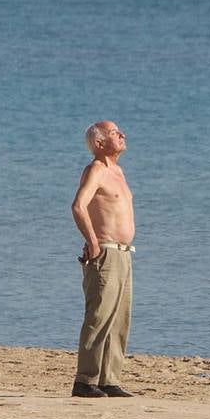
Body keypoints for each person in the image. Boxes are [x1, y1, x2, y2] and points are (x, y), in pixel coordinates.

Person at [70, 120, 136, 398]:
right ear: (99, 143)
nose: (122, 135)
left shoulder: (117, 171)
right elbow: (78, 206)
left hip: (124, 253)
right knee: (99, 316)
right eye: (114, 133)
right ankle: (86, 381)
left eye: (119, 131)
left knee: (119, 319)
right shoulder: (96, 169)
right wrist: (93, 242)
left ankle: (109, 379)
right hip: (105, 252)